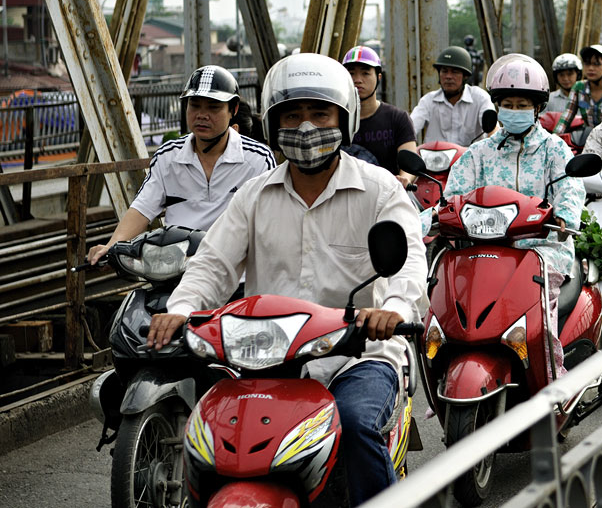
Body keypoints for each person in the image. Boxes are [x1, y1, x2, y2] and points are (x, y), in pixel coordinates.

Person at [147, 53, 428, 507]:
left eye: (319, 113)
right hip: (266, 359)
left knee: (354, 423)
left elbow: (410, 259)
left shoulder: (380, 189)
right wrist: (179, 309)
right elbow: (214, 262)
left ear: (345, 118)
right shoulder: (255, 195)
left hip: (358, 357)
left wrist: (392, 309)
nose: (305, 127)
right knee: (208, 435)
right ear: (274, 124)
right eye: (292, 115)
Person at [445, 54, 584, 380]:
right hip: (482, 251)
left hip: (542, 249)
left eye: (523, 104)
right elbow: (452, 196)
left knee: (541, 314)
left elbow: (570, 187)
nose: (515, 110)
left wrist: (564, 214)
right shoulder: (478, 153)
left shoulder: (555, 150)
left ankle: (552, 384)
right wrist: (433, 220)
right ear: (497, 106)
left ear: (537, 108)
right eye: (508, 103)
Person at [87, 66, 276, 265]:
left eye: (213, 107)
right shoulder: (168, 156)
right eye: (194, 105)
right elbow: (142, 208)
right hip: (177, 271)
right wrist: (112, 246)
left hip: (235, 273)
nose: (202, 115)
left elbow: (271, 223)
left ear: (233, 110)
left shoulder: (258, 159)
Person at [342, 45, 418, 187]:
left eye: (365, 73)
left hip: (388, 197)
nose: (357, 80)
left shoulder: (398, 118)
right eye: (351, 73)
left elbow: (410, 163)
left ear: (378, 77)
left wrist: (404, 179)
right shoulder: (336, 119)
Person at [410, 46, 495, 146]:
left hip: (471, 160)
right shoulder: (428, 101)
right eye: (444, 71)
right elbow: (410, 128)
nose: (448, 76)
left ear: (465, 76)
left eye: (455, 72)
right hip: (434, 160)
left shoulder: (480, 98)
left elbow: (493, 131)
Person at [553, 43, 602, 136]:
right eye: (587, 64)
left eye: (596, 64)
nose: (591, 68)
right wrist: (553, 140)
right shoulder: (578, 87)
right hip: (588, 139)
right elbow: (566, 117)